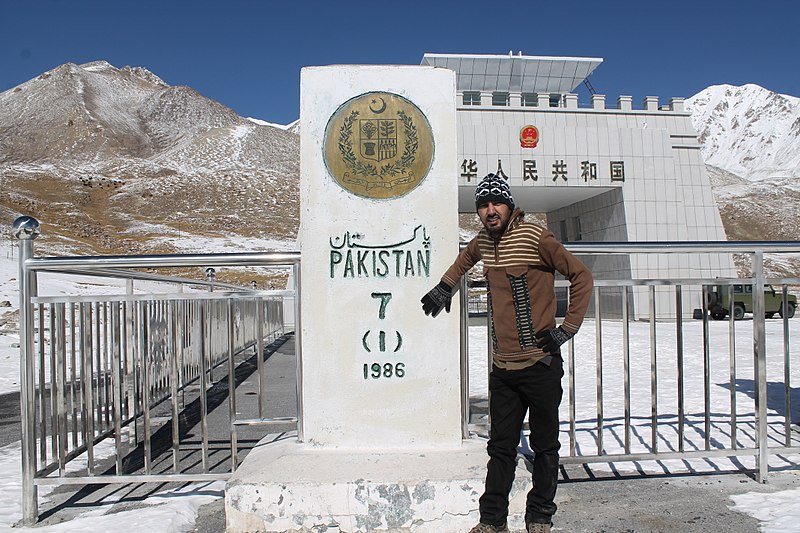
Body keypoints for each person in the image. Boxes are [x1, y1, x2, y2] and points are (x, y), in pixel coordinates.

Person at [421, 174, 593, 533]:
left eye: (496, 202)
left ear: (509, 205)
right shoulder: (484, 240)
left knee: (545, 446)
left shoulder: (535, 237)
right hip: (502, 368)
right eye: (483, 204)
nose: (489, 210)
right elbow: (464, 258)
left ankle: (540, 514)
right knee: (500, 448)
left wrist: (567, 328)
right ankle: (492, 521)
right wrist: (444, 287)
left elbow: (581, 277)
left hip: (540, 363)